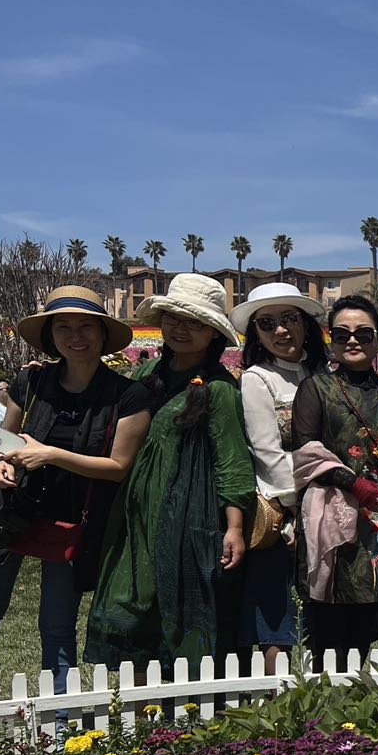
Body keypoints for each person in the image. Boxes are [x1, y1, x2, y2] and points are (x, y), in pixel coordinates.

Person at [0, 287, 150, 691]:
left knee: (56, 627)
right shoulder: (32, 381)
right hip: (10, 509)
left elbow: (118, 468)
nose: (76, 336)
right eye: (64, 327)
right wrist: (3, 461)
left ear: (103, 334)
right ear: (50, 336)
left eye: (86, 326)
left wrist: (51, 455)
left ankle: (59, 721)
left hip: (73, 521)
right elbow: (6, 437)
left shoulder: (127, 395)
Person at [86, 274, 255, 668]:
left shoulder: (219, 389)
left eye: (194, 322)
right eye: (174, 318)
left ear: (214, 334)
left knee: (178, 604)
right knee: (132, 601)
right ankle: (143, 711)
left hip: (188, 516)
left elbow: (232, 462)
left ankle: (188, 712)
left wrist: (234, 527)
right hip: (136, 515)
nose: (181, 329)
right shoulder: (145, 376)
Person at [289, 295, 378, 662]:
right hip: (334, 515)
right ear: (332, 340)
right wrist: (357, 486)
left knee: (375, 613)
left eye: (363, 333)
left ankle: (355, 698)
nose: (353, 341)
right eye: (342, 334)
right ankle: (327, 701)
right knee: (329, 616)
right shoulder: (315, 389)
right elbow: (306, 452)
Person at [231, 282, 329, 669]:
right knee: (279, 614)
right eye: (267, 324)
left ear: (305, 324)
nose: (280, 331)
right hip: (285, 513)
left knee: (325, 610)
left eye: (288, 319)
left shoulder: (323, 372)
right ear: (256, 334)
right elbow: (267, 453)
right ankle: (278, 704)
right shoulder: (258, 378)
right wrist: (298, 508)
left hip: (331, 506)